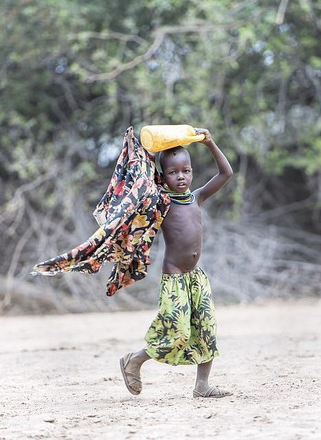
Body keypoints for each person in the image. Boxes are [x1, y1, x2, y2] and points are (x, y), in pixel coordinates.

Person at [119, 127, 234, 398]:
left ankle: (202, 385)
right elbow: (142, 183)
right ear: (164, 176)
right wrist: (150, 149)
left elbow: (226, 173)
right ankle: (134, 360)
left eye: (186, 170)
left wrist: (209, 142)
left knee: (206, 328)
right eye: (173, 172)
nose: (180, 176)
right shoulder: (162, 201)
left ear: (192, 172)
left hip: (196, 277)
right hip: (174, 277)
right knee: (177, 332)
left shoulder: (197, 198)